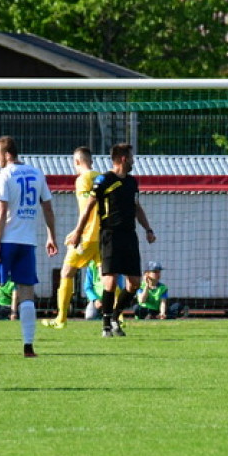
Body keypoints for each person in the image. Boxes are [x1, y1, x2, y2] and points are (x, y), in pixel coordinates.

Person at [0, 136, 58, 359]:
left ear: (7, 154)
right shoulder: (37, 173)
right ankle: (28, 348)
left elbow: (1, 211)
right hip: (27, 242)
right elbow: (47, 207)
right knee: (26, 292)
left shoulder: (3, 175)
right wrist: (51, 236)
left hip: (6, 240)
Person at [70, 143, 156, 338]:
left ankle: (116, 315)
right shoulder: (104, 180)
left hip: (129, 235)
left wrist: (148, 229)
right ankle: (106, 323)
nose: (134, 160)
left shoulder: (132, 182)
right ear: (124, 158)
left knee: (134, 282)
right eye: (132, 157)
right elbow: (89, 207)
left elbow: (136, 207)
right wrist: (78, 232)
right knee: (109, 281)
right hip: (110, 234)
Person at [44, 146, 100, 329]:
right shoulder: (100, 177)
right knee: (107, 275)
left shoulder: (82, 179)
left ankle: (61, 318)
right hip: (103, 235)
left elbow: (87, 208)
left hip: (86, 237)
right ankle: (118, 316)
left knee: (66, 273)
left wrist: (77, 231)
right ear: (91, 160)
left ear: (77, 162)